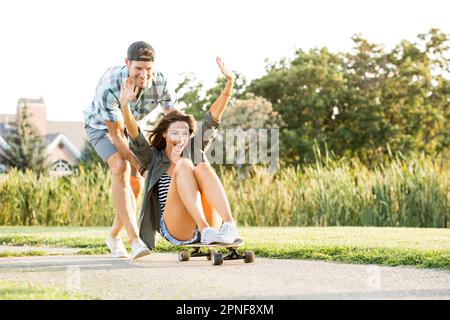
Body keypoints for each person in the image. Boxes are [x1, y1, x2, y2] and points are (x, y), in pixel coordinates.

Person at [122, 57, 240, 248]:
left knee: (201, 166)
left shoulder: (193, 149)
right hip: (177, 228)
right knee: (185, 165)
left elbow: (212, 118)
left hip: (211, 222)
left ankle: (229, 225)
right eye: (175, 132)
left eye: (185, 133)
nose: (181, 138)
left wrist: (230, 83)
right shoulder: (153, 157)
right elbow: (135, 135)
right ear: (164, 134)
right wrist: (125, 106)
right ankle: (205, 230)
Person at [83, 41, 177, 259]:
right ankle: (135, 241)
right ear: (127, 64)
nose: (144, 75)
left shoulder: (160, 82)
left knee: (136, 187)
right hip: (102, 128)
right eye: (138, 69)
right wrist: (142, 166)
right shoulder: (110, 86)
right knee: (121, 167)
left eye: (148, 69)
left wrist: (184, 140)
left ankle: (113, 236)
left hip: (132, 127)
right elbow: (116, 136)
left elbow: (172, 116)